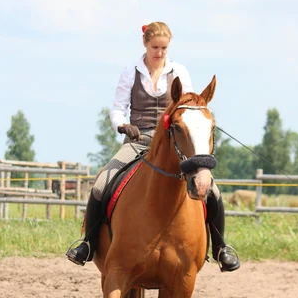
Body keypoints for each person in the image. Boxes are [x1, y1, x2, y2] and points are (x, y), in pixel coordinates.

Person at [66, 21, 240, 272]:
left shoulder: (178, 70)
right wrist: (123, 125)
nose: (159, 52)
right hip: (138, 140)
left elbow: (188, 106)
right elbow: (117, 107)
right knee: (103, 181)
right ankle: (88, 244)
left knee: (211, 189)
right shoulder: (130, 71)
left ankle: (221, 247)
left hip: (173, 143)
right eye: (155, 47)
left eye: (164, 48)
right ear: (145, 44)